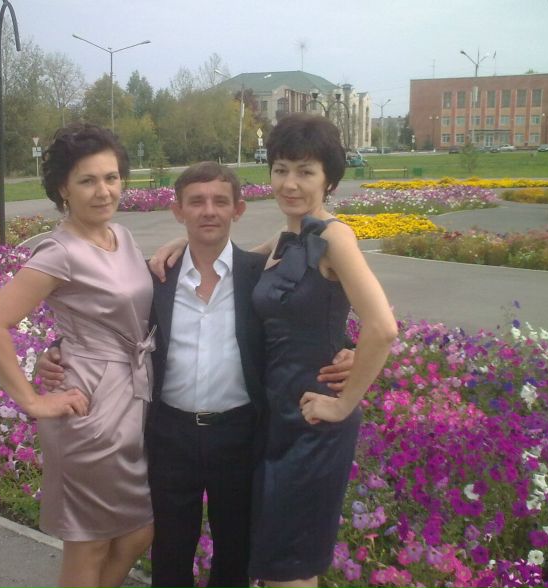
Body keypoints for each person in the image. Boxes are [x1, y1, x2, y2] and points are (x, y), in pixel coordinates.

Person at [36, 161, 354, 588]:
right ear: (177, 211)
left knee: (234, 555)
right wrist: (56, 351)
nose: (209, 211)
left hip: (239, 433)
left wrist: (347, 350)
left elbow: (302, 321)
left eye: (220, 201)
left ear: (238, 210)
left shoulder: (258, 274)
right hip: (171, 434)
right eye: (196, 202)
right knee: (170, 552)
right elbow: (106, 323)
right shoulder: (154, 277)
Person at [151, 114, 397, 587]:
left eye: (305, 171)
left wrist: (344, 403)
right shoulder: (289, 239)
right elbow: (235, 257)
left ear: (329, 179)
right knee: (275, 562)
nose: (290, 183)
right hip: (276, 421)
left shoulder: (334, 237)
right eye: (281, 169)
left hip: (312, 421)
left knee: (290, 568)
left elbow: (383, 327)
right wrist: (182, 241)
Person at [0, 123, 155, 588]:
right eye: (87, 180)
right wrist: (33, 401)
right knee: (90, 543)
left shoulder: (121, 237)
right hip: (90, 409)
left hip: (133, 401)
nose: (103, 191)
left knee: (137, 534)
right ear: (63, 190)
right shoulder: (60, 251)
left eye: (111, 177)